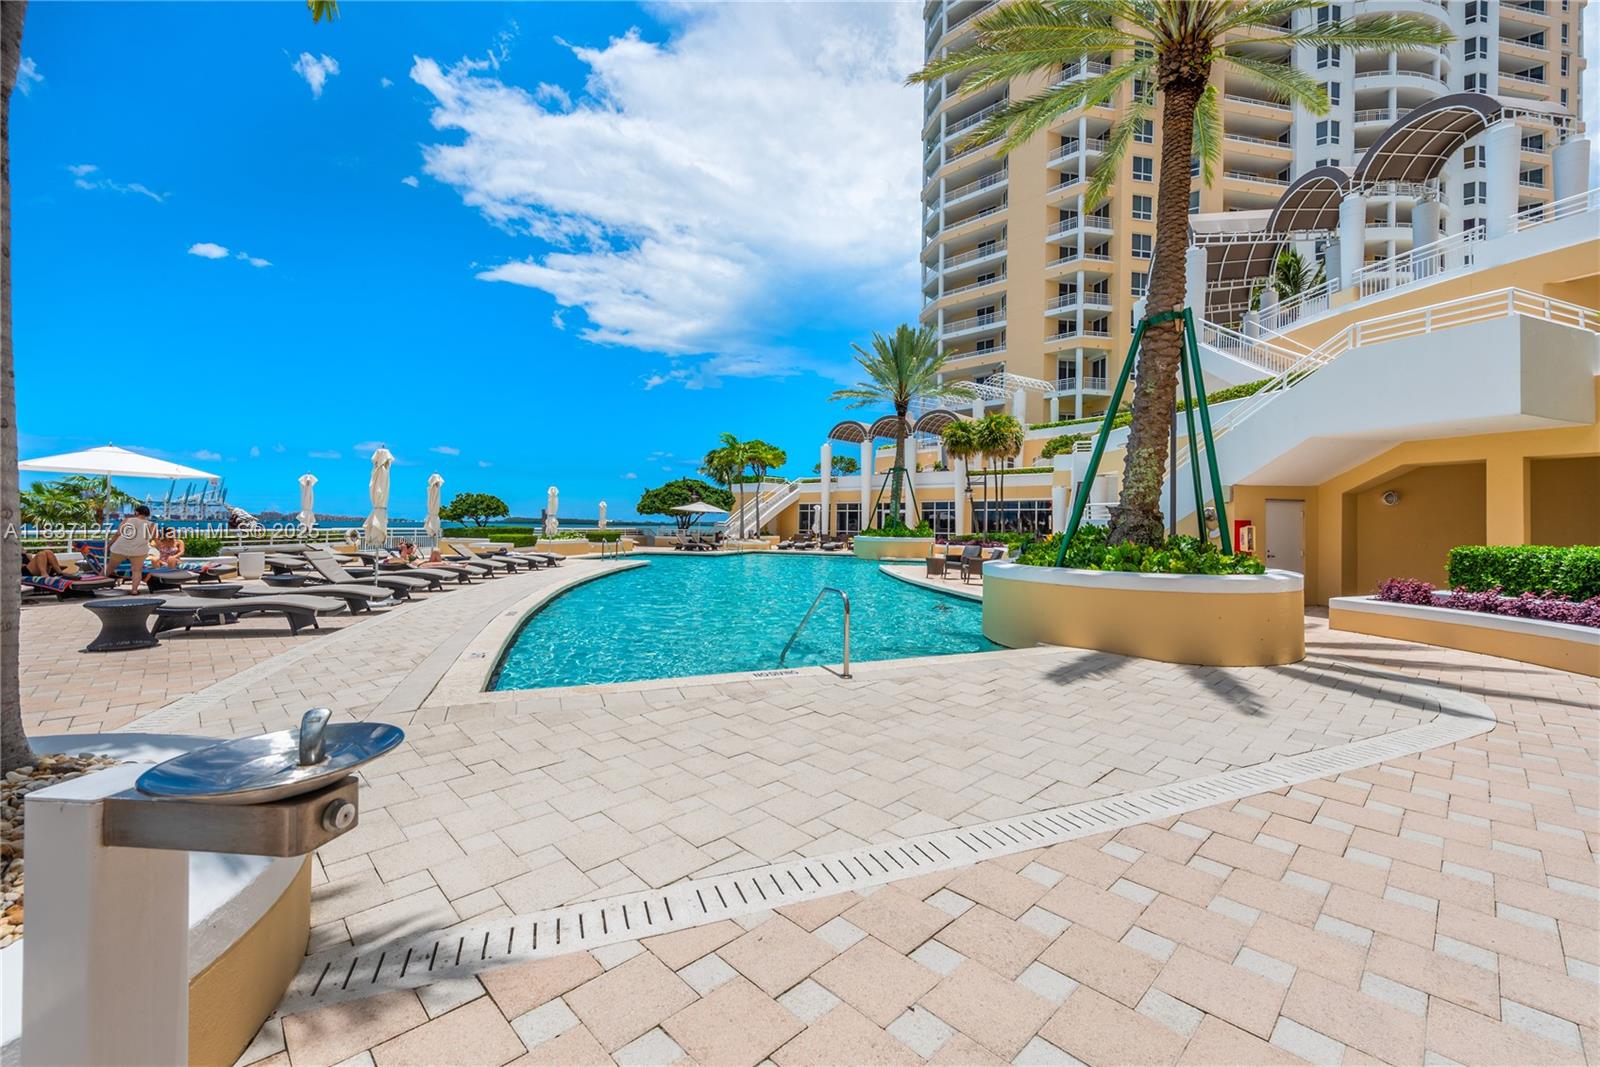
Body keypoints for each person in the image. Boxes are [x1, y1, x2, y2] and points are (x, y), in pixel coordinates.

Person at [107, 505, 158, 593]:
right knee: (137, 571)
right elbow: (154, 538)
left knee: (109, 568)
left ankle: (97, 584)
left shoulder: (128, 520)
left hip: (120, 548)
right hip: (139, 550)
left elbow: (118, 534)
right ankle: (134, 590)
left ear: (136, 512)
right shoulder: (152, 525)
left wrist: (108, 545)